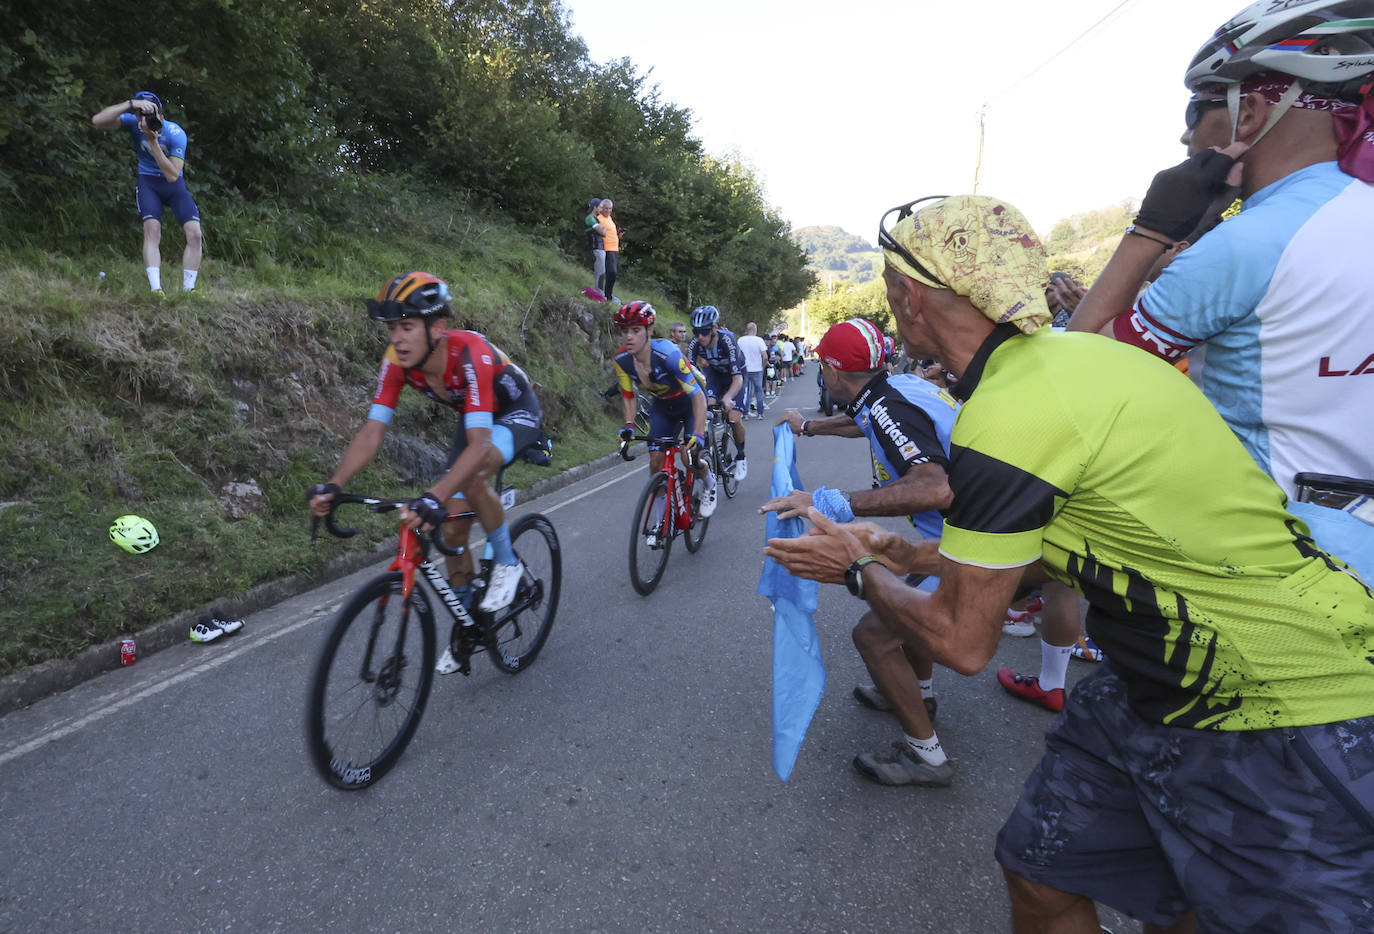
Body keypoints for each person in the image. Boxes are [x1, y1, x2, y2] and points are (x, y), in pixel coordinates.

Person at [764, 192, 1374, 931]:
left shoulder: (1008, 416)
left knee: (1213, 910)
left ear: (909, 297)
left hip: (1281, 697)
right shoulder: (1076, 359)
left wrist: (855, 572)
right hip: (1154, 678)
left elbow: (962, 641)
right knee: (1039, 870)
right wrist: (907, 549)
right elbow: (1072, 545)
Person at [1067, 1, 1374, 502]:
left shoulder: (1251, 242)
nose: (1185, 134)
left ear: (1248, 113)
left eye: (1196, 110)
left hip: (1280, 547)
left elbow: (1075, 376)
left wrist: (1149, 230)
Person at [307, 273, 544, 674]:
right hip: (475, 417)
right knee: (451, 529)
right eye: (392, 328)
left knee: (468, 478)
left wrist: (433, 495)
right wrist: (335, 484)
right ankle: (470, 621)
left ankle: (507, 561)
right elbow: (372, 431)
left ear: (437, 328)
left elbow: (480, 445)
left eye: (406, 327)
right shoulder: (396, 361)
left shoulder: (470, 353)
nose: (397, 338)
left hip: (515, 413)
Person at [763, 317, 960, 787]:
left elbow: (935, 487)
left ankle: (926, 757)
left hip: (973, 539)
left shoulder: (889, 408)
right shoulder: (892, 387)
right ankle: (921, 694)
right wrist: (809, 426)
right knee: (905, 602)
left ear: (831, 371)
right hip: (962, 533)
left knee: (873, 635)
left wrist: (833, 502)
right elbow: (865, 421)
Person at [610, 301, 717, 522]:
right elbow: (628, 397)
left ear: (649, 330)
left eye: (636, 330)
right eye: (624, 331)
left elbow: (697, 396)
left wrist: (697, 433)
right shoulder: (621, 360)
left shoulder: (668, 354)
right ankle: (661, 521)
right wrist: (629, 426)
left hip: (689, 405)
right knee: (655, 461)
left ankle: (709, 482)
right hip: (663, 407)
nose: (629, 336)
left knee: (689, 458)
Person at [90, 91, 204, 295]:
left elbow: (172, 175)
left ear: (161, 114)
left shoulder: (175, 133)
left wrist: (153, 141)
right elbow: (97, 121)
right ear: (136, 117)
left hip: (172, 184)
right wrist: (130, 104)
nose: (147, 120)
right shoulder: (134, 124)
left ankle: (189, 290)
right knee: (152, 231)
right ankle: (156, 290)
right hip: (148, 183)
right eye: (140, 115)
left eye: (152, 115)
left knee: (195, 234)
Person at [687, 305, 748, 481]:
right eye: (696, 331)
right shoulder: (695, 343)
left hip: (735, 375)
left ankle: (741, 455)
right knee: (708, 405)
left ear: (715, 328)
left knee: (734, 418)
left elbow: (737, 378)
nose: (700, 336)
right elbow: (689, 374)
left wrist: (728, 397)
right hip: (714, 375)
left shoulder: (727, 340)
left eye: (704, 331)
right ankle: (712, 444)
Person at [736, 322, 769, 419]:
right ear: (755, 330)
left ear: (747, 330)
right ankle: (760, 414)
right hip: (757, 369)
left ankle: (745, 413)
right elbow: (765, 357)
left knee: (746, 391)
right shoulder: (759, 341)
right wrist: (762, 367)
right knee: (759, 391)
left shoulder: (740, 340)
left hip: (745, 369)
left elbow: (736, 355)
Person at [597, 200, 620, 303]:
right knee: (611, 272)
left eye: (610, 208)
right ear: (602, 208)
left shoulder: (610, 219)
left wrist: (619, 236)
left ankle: (608, 294)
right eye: (606, 208)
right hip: (607, 249)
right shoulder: (599, 218)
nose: (608, 210)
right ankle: (605, 295)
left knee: (612, 274)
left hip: (614, 249)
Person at [584, 198, 605, 294]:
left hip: (600, 249)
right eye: (600, 207)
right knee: (600, 273)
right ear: (595, 207)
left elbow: (603, 231)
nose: (601, 209)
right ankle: (598, 294)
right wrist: (602, 229)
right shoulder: (590, 218)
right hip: (596, 248)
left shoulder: (596, 219)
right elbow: (602, 232)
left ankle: (600, 293)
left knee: (602, 272)